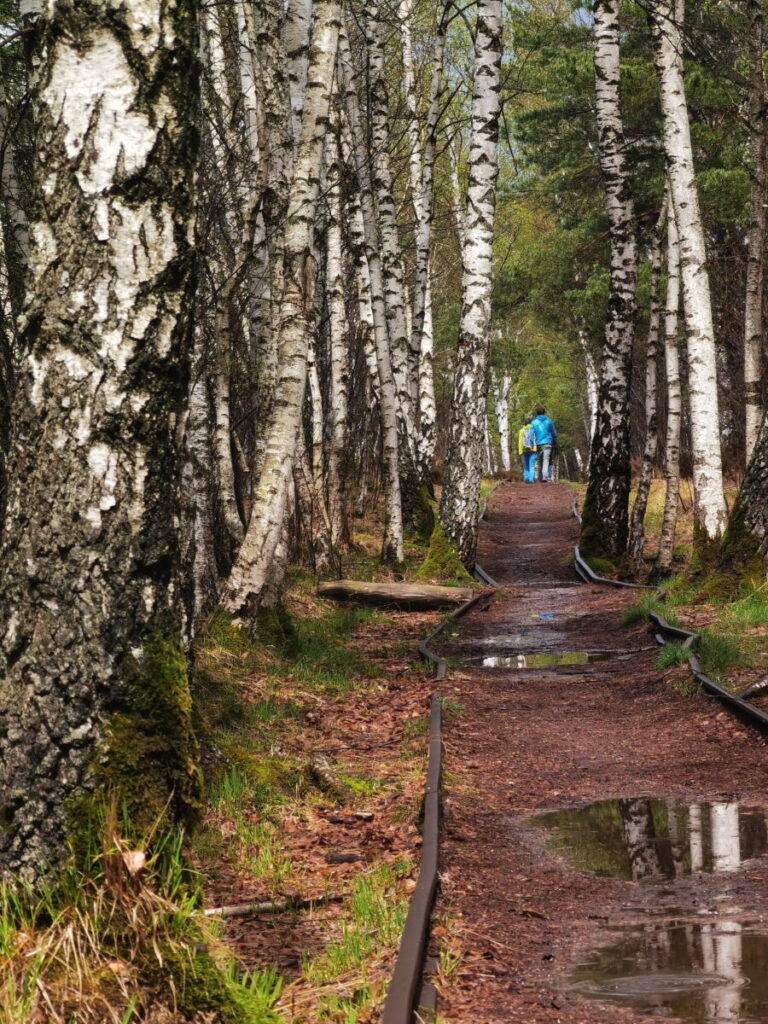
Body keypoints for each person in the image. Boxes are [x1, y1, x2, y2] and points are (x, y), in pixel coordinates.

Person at [530, 405, 557, 481]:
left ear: (537, 413)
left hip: (538, 443)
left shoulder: (533, 422)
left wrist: (532, 444)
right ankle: (545, 476)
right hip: (548, 442)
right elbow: (554, 433)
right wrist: (554, 441)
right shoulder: (549, 421)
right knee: (546, 459)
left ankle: (540, 477)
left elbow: (531, 435)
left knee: (539, 460)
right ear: (544, 412)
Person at [518, 416, 537, 483]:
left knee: (526, 464)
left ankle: (526, 479)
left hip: (524, 449)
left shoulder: (521, 431)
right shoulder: (533, 429)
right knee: (531, 465)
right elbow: (535, 439)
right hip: (532, 449)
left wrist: (520, 451)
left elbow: (520, 441)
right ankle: (531, 480)